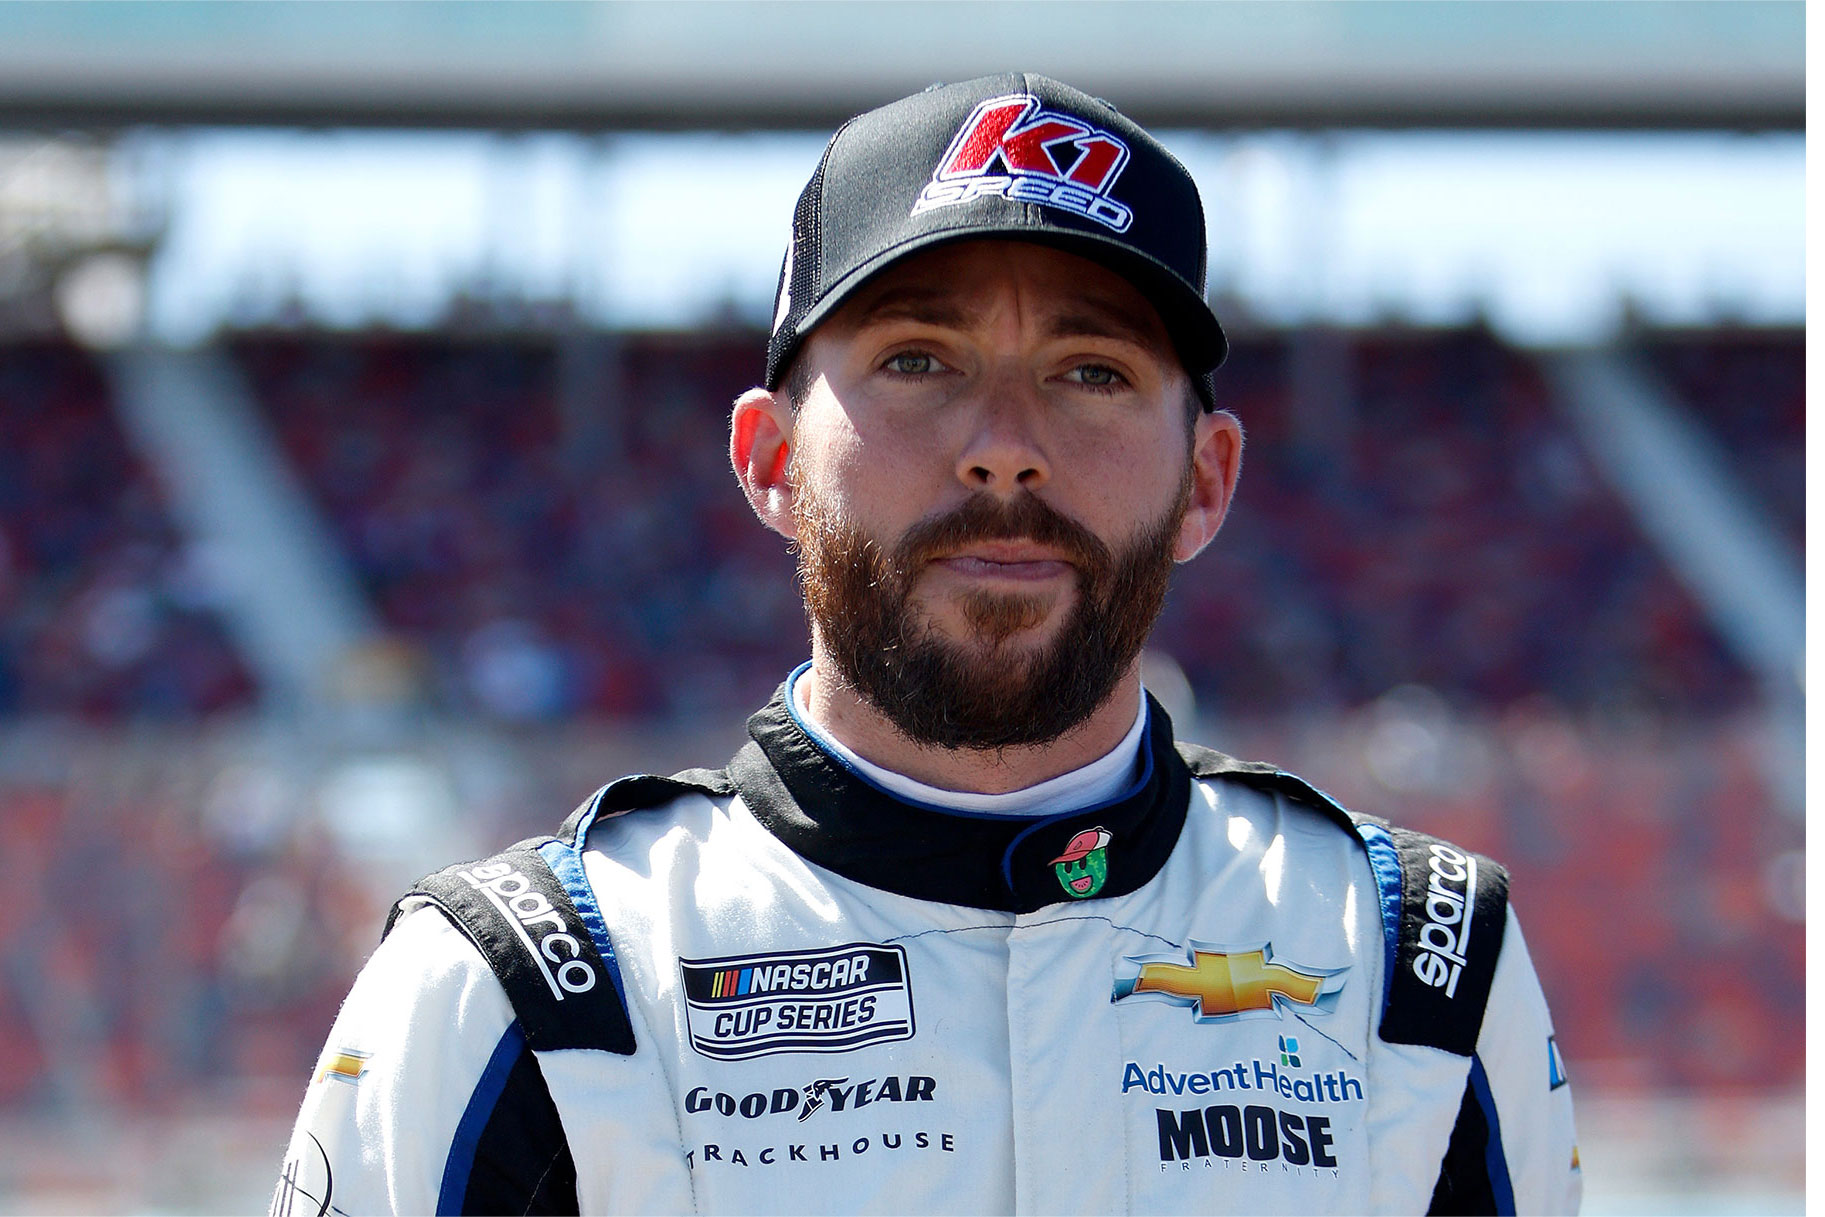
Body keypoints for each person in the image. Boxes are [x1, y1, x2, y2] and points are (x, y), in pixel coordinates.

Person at [274, 72, 1580, 1216]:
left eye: (1090, 372)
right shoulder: (518, 988)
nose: (1002, 440)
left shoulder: (1417, 967)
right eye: (915, 359)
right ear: (771, 459)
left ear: (1205, 479)